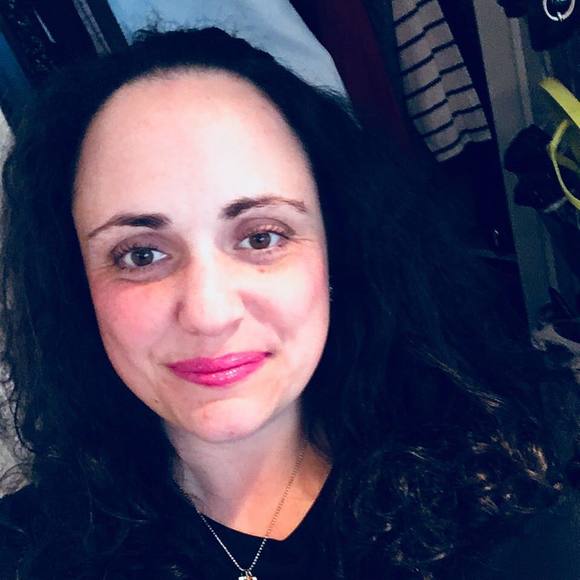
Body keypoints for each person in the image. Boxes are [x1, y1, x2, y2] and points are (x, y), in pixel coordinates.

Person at [0, 27, 578, 580]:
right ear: (76, 285)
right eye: (141, 254)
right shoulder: (28, 553)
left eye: (261, 237)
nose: (208, 314)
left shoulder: (505, 500)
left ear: (339, 250)